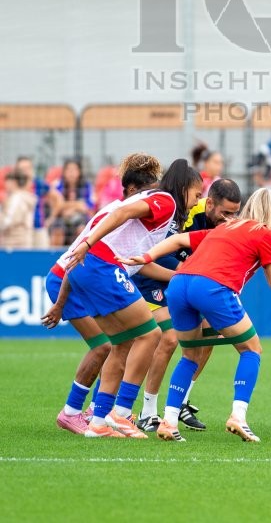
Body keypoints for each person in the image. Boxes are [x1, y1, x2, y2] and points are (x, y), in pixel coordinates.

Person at [119, 188, 271, 442]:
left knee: (190, 354)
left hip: (178, 285)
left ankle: (169, 420)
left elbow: (177, 241)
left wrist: (146, 257)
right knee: (251, 349)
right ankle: (238, 416)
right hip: (212, 287)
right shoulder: (264, 234)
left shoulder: (223, 228)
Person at [58, 157, 203, 439]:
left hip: (88, 268)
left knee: (121, 342)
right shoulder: (166, 201)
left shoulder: (162, 207)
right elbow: (120, 215)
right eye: (197, 193)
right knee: (151, 335)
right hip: (102, 266)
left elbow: (130, 241)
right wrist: (88, 244)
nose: (198, 199)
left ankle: (98, 422)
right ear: (184, 187)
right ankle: (121, 412)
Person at [41, 153, 163, 434]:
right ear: (133, 190)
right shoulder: (119, 213)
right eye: (148, 188)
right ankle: (73, 412)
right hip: (66, 277)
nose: (151, 194)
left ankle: (100, 411)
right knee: (106, 346)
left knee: (123, 342)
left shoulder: (125, 218)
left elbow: (137, 264)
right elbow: (83, 257)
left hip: (76, 275)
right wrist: (60, 303)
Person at [134, 178, 243, 433]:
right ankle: (147, 411)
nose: (229, 219)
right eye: (225, 213)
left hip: (188, 280)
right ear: (210, 203)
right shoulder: (189, 214)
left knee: (210, 330)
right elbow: (166, 252)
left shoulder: (224, 223)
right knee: (168, 339)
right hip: (156, 278)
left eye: (234, 214)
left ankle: (181, 400)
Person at [46, 159, 95, 246]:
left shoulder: (86, 186)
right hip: (61, 218)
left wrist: (66, 206)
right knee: (57, 230)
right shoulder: (57, 185)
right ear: (64, 172)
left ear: (79, 172)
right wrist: (76, 205)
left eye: (74, 170)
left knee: (82, 229)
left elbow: (86, 207)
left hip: (80, 218)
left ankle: (78, 257)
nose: (71, 173)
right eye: (68, 170)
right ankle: (55, 256)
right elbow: (56, 206)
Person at [14, 156, 51, 247]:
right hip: (19, 231)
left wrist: (50, 219)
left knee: (42, 256)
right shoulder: (13, 185)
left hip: (38, 228)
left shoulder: (39, 184)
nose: (25, 171)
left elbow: (57, 199)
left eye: (28, 168)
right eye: (22, 169)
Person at [0, 169, 36, 248]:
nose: (5, 184)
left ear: (14, 182)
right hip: (23, 241)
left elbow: (8, 220)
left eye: (7, 181)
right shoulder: (23, 196)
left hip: (15, 243)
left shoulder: (17, 198)